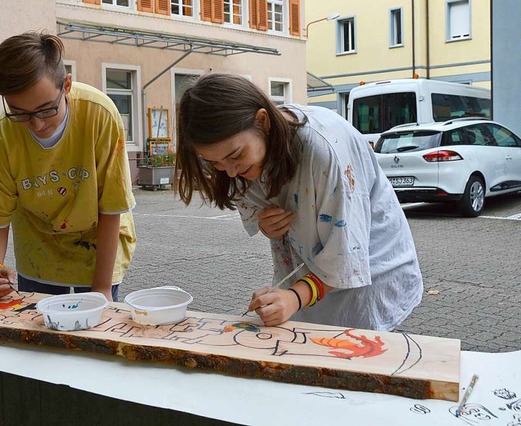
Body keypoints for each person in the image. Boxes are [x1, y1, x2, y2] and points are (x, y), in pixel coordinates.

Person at [175, 73, 423, 331]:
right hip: (311, 279)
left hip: (370, 277)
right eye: (215, 162)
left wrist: (293, 297)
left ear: (262, 121)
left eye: (235, 155)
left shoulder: (326, 153)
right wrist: (265, 225)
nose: (230, 171)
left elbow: (346, 258)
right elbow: (255, 204)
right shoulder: (240, 154)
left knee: (354, 355)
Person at [0, 32, 136, 303]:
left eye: (46, 109)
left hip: (98, 249)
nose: (36, 124)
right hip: (39, 255)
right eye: (20, 113)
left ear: (66, 86)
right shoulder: (3, 137)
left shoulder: (99, 114)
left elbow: (111, 208)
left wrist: (102, 289)